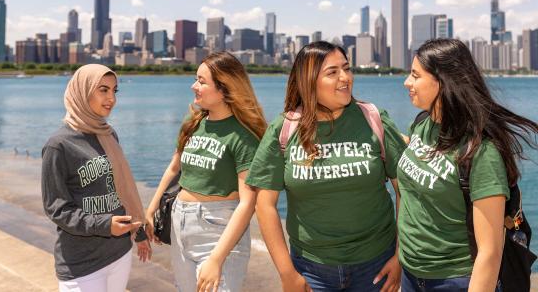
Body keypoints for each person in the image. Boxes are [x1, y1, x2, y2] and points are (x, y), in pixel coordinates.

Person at [245, 41, 407, 292]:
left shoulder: (373, 118)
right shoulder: (284, 129)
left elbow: (404, 191)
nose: (345, 78)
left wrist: (399, 256)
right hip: (311, 270)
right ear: (308, 81)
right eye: (332, 72)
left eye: (346, 68)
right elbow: (264, 205)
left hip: (375, 265)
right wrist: (287, 273)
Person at [398, 38, 538, 291]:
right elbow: (423, 159)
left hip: (456, 280)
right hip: (410, 273)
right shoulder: (422, 123)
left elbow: (490, 252)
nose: (407, 82)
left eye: (415, 75)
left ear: (443, 82)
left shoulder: (481, 152)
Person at [145, 52, 267, 292]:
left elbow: (247, 203)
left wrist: (216, 258)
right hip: (181, 224)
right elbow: (173, 168)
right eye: (195, 79)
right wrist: (152, 207)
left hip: (219, 231)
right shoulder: (194, 123)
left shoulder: (244, 137)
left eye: (201, 81)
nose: (194, 86)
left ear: (224, 89)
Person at [41, 64, 151, 292]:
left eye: (114, 90)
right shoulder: (59, 145)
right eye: (103, 90)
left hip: (119, 253)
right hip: (81, 264)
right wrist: (104, 225)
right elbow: (57, 209)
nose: (111, 98)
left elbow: (123, 190)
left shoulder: (108, 135)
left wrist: (138, 232)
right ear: (82, 91)